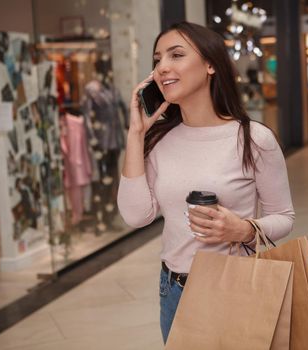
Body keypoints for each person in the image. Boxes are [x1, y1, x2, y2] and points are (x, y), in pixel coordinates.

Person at [116, 22, 294, 343]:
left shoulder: (253, 138)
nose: (162, 68)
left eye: (176, 55)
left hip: (234, 284)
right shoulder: (159, 141)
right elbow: (135, 215)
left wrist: (243, 229)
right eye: (157, 60)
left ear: (211, 64)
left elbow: (284, 216)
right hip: (173, 289)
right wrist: (136, 134)